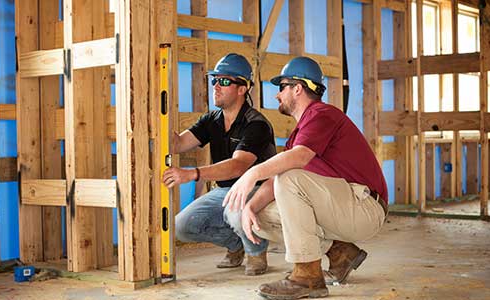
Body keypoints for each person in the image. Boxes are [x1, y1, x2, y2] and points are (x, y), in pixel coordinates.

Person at [223, 56, 388, 299]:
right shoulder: (300, 132)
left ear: (297, 88)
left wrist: (252, 173)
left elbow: (297, 161)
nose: (277, 95)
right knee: (256, 214)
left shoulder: (322, 114)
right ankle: (340, 253)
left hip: (366, 209)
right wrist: (250, 206)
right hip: (343, 207)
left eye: (281, 87)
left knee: (289, 179)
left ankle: (307, 277)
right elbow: (274, 181)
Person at [163, 53, 276, 276]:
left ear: (242, 88)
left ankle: (256, 251)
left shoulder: (256, 124)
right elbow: (178, 144)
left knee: (235, 213)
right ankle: (235, 245)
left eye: (224, 81)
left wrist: (192, 174)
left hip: (257, 189)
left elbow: (238, 166)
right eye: (214, 80)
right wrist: (156, 113)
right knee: (182, 227)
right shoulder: (211, 120)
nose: (216, 86)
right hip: (225, 191)